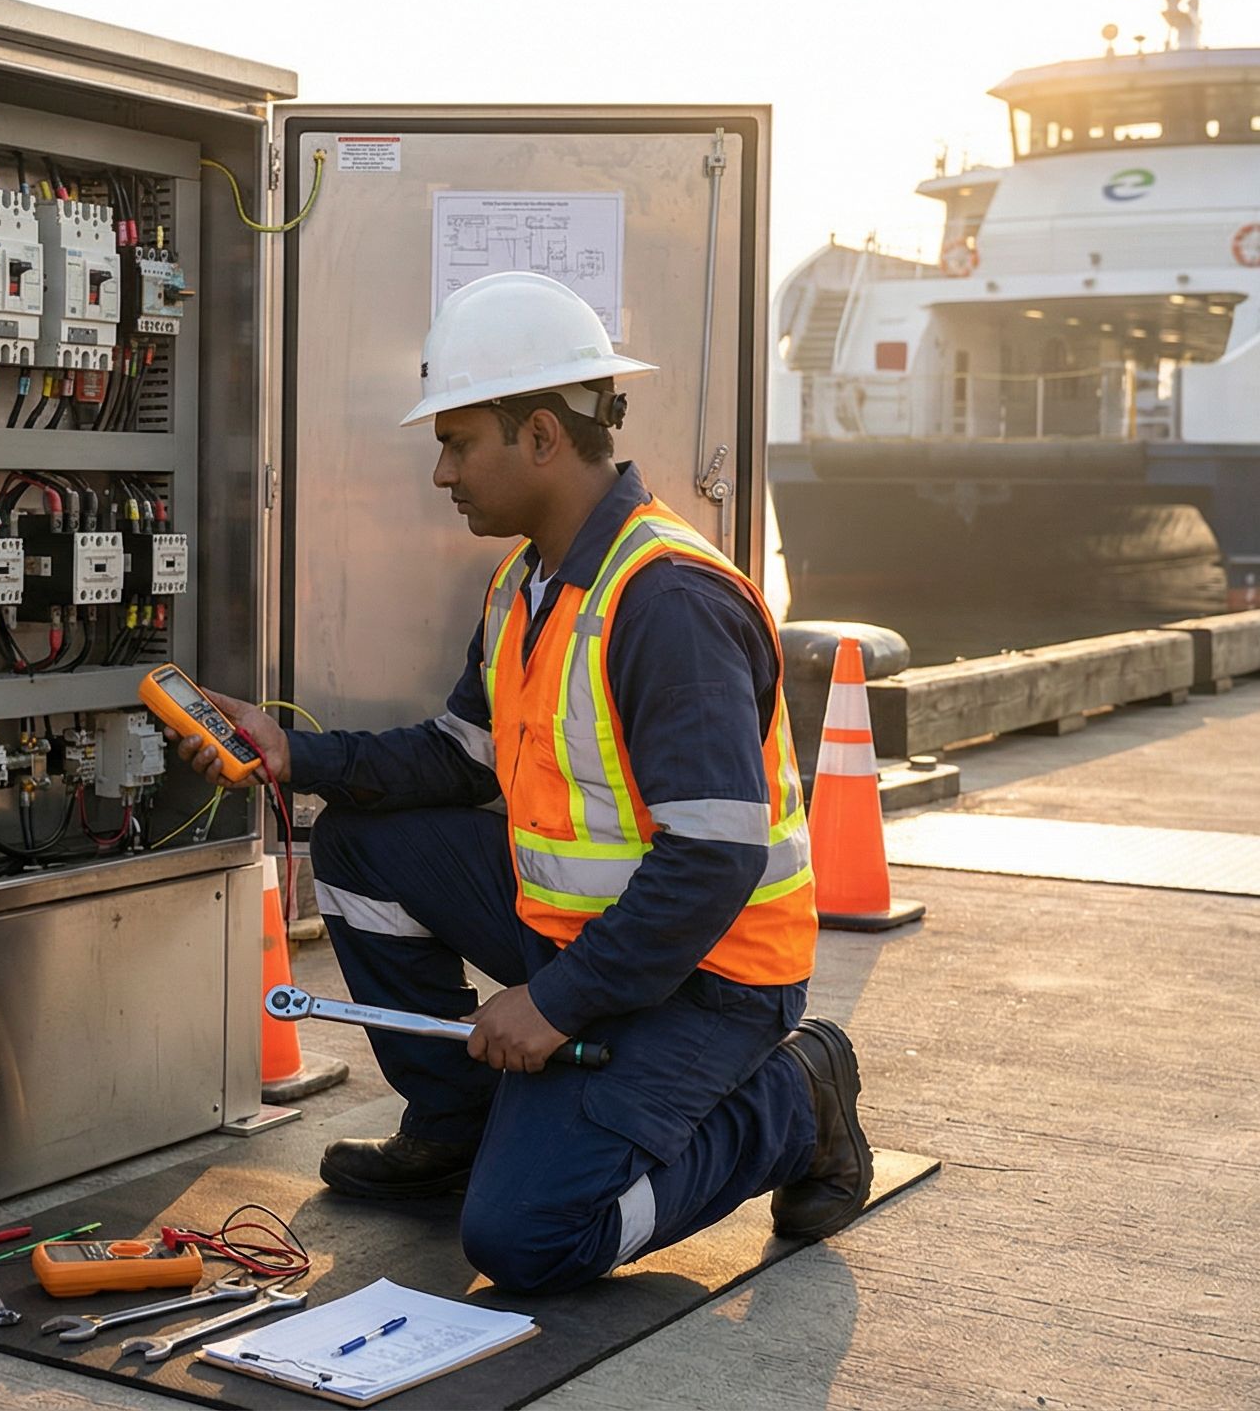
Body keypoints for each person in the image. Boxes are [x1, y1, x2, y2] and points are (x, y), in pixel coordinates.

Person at [170, 270, 874, 1294]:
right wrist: (293, 754)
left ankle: (795, 1100)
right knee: (363, 844)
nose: (442, 472)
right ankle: (455, 1132)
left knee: (528, 1240)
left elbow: (715, 857)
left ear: (541, 436)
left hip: (711, 978)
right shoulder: (528, 584)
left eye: (457, 442)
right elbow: (455, 758)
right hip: (587, 937)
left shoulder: (665, 601)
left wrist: (553, 1005)